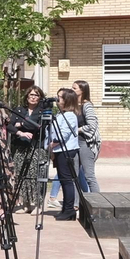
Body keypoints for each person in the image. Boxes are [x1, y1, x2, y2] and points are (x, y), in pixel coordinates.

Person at [13, 85, 50, 212]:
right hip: (21, 146)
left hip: (36, 147)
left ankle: (38, 205)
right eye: (31, 94)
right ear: (27, 96)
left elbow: (37, 126)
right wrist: (20, 130)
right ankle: (26, 203)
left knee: (35, 176)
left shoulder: (42, 111)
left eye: (36, 95)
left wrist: (21, 124)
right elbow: (10, 126)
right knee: (21, 175)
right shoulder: (19, 110)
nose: (33, 97)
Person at [48, 88, 82, 221]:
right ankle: (66, 209)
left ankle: (69, 210)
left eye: (60, 97)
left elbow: (64, 134)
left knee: (67, 180)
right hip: (59, 150)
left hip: (66, 150)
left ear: (67, 100)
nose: (57, 100)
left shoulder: (70, 115)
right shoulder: (62, 114)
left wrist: (53, 144)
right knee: (63, 179)